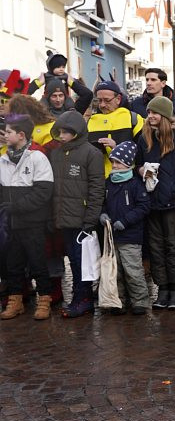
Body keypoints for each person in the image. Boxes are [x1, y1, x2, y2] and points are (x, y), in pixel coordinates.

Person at [135, 95, 175, 310]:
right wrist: (142, 171)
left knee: (173, 245)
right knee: (156, 247)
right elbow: (137, 165)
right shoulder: (144, 139)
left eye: (154, 113)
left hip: (171, 202)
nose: (149, 116)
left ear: (164, 116)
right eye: (148, 112)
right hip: (151, 202)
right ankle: (163, 288)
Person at [49, 111, 106, 318]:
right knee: (72, 260)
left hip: (82, 219)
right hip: (64, 218)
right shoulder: (56, 154)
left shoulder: (92, 153)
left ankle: (84, 299)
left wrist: (90, 218)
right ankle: (79, 296)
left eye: (66, 132)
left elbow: (97, 188)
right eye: (60, 132)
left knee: (83, 260)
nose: (62, 136)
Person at [0, 114, 54, 321]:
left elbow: (43, 193)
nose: (5, 135)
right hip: (11, 224)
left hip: (32, 223)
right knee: (13, 264)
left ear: (21, 135)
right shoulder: (3, 159)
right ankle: (15, 301)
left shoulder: (37, 158)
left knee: (37, 262)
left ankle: (44, 299)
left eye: (9, 132)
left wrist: (16, 207)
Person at [99, 141, 151, 315]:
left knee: (133, 270)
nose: (114, 165)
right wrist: (103, 214)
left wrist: (126, 221)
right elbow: (104, 204)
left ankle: (140, 301)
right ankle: (118, 300)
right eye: (113, 161)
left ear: (128, 163)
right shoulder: (109, 183)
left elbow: (143, 207)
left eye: (118, 162)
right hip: (113, 236)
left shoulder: (135, 184)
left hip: (130, 236)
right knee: (116, 271)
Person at [87, 80, 144, 176]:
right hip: (98, 180)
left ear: (118, 99)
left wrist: (116, 148)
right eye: (99, 100)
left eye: (107, 100)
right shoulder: (91, 121)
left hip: (126, 180)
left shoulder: (133, 119)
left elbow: (143, 153)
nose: (102, 105)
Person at [129, 67, 175, 136]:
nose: (148, 83)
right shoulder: (135, 105)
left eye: (153, 80)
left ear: (163, 83)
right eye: (147, 80)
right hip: (145, 145)